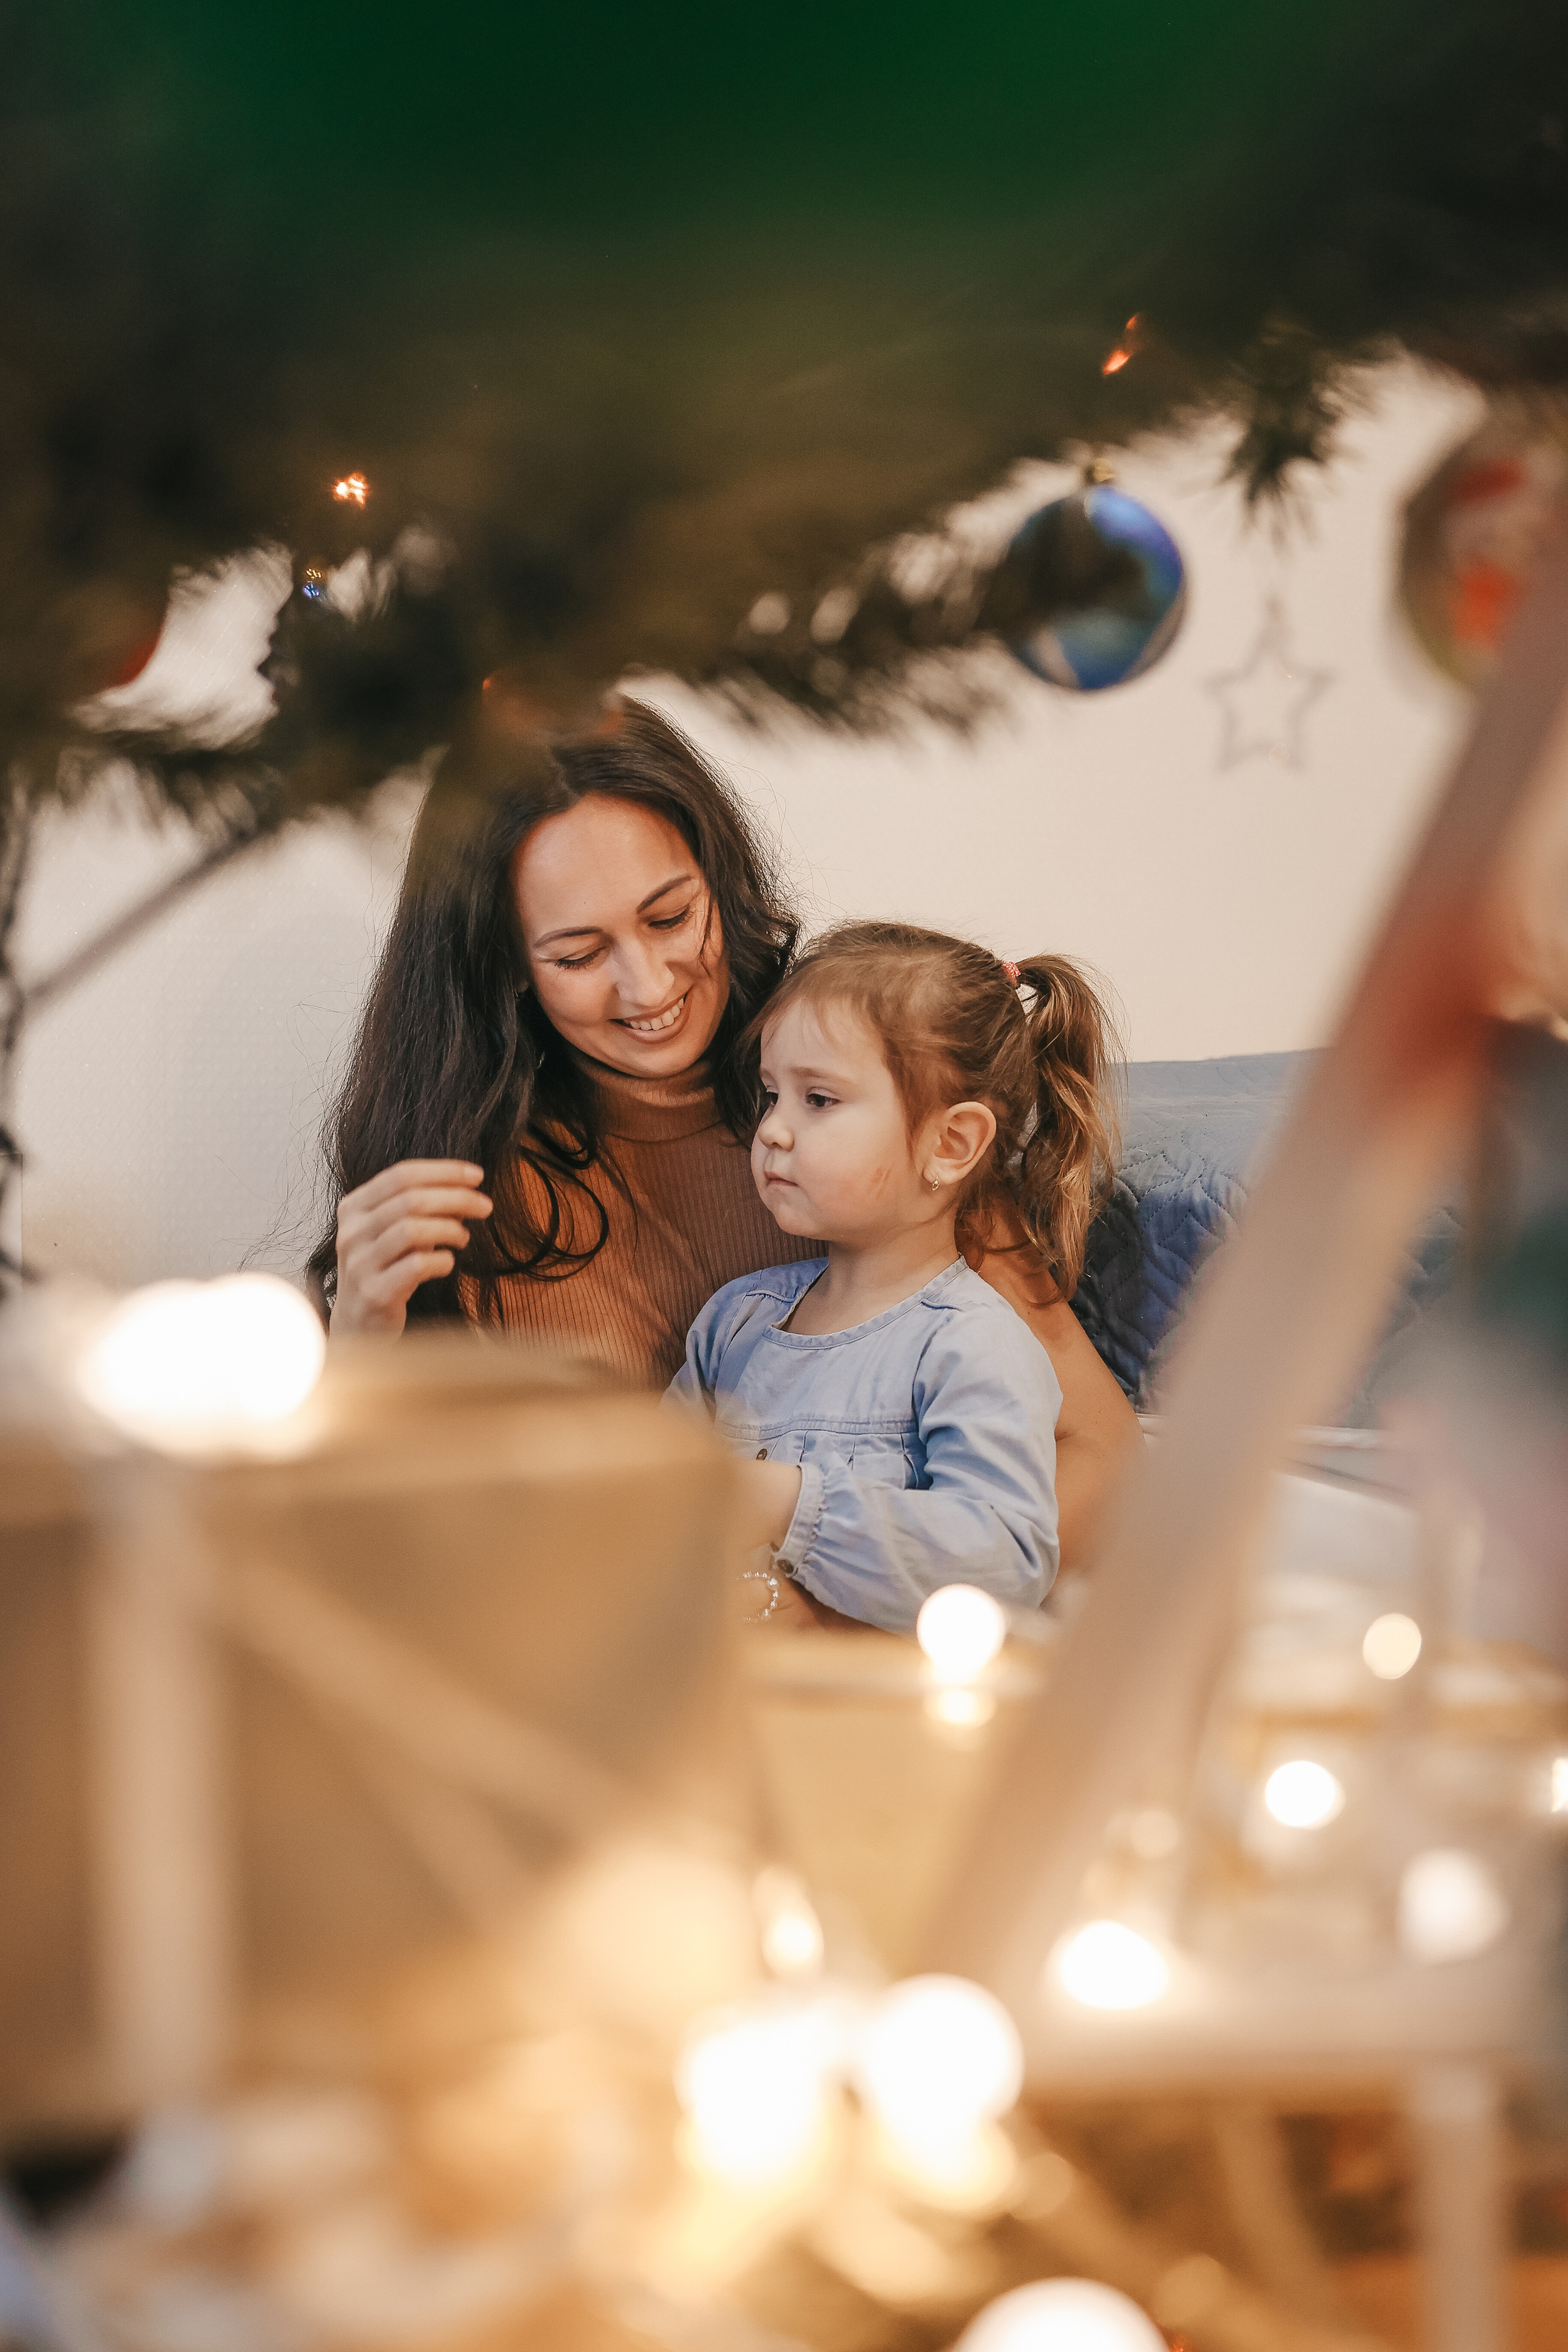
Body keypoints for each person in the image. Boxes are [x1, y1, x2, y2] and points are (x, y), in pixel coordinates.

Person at [313, 704, 1141, 1569]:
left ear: (720, 882)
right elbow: (375, 1554)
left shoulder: (866, 1116)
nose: (646, 986)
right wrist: (361, 1341)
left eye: (670, 917)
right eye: (578, 955)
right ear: (507, 968)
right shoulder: (468, 1191)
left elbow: (1107, 1462)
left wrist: (806, 1627)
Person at [668, 922, 1114, 1629]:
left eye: (818, 1100)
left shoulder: (973, 1348)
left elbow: (1003, 1566)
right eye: (770, 1094)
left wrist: (789, 1502)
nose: (773, 1130)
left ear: (950, 1143)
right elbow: (644, 1506)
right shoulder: (734, 1322)